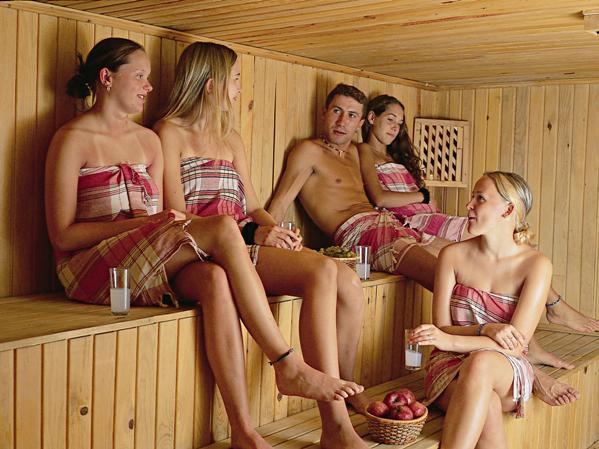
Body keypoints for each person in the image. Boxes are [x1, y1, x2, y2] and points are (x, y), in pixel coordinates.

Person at [45, 38, 363, 449]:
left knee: (216, 279)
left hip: (149, 252)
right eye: (140, 76)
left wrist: (272, 232)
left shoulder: (147, 141)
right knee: (225, 230)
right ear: (107, 77)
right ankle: (286, 363)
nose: (149, 86)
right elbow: (63, 236)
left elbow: (172, 219)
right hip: (93, 267)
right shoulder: (72, 139)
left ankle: (244, 433)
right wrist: (148, 225)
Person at [267, 83, 580, 406]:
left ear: (361, 122)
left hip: (388, 223)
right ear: (323, 113)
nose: (342, 121)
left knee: (466, 255)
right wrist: (270, 241)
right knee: (445, 276)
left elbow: (378, 189)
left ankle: (522, 339)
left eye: (351, 115)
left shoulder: (358, 153)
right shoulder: (308, 151)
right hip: (359, 231)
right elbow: (279, 204)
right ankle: (523, 359)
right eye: (336, 111)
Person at [154, 42, 368, 449]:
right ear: (212, 85)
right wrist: (254, 233)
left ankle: (337, 425)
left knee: (330, 271)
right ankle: (310, 399)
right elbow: (176, 213)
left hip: (241, 241)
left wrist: (277, 231)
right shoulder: (169, 132)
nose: (239, 88)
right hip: (197, 249)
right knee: (315, 271)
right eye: (235, 79)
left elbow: (252, 205)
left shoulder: (230, 138)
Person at [359, 94, 599, 334]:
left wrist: (424, 199)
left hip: (427, 215)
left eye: (400, 123)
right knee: (497, 243)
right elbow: (380, 198)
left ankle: (543, 315)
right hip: (409, 220)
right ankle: (554, 306)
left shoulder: (396, 157)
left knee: (499, 245)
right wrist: (422, 195)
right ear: (371, 117)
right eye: (390, 119)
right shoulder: (364, 151)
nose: (396, 127)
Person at [410, 171, 558, 448]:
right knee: (486, 403)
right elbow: (441, 327)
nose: (469, 205)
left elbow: (515, 345)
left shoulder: (536, 265)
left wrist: (449, 340)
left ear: (508, 210)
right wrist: (485, 329)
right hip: (449, 367)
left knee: (481, 363)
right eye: (472, 197)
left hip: (505, 368)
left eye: (480, 198)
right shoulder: (452, 255)